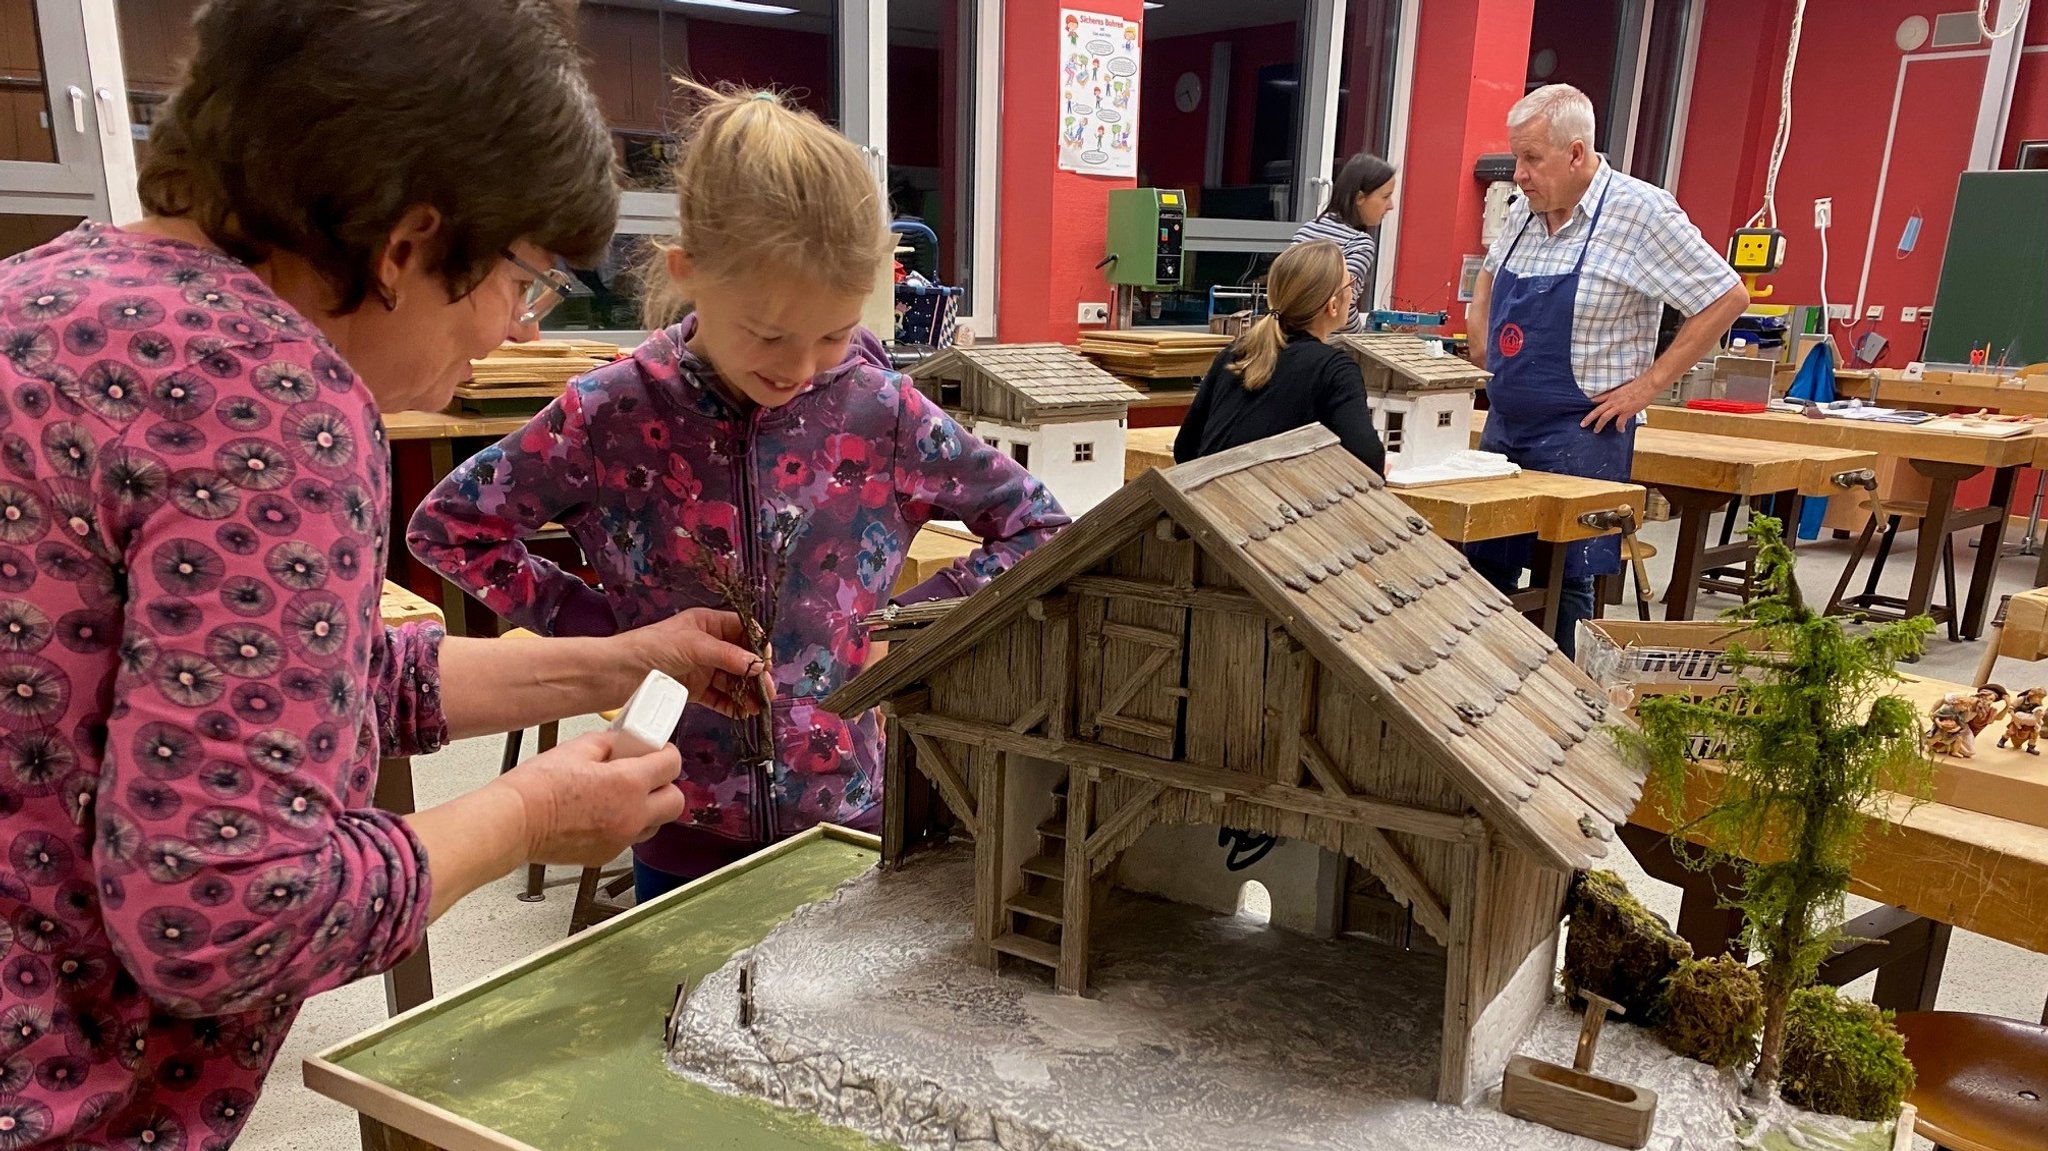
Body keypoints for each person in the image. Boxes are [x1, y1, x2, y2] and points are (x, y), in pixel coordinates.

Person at [0, 2, 779, 1146]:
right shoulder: (269, 395)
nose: (518, 330)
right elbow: (225, 913)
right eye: (523, 277)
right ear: (406, 246)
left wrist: (622, 660)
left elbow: (310, 685)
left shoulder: (49, 299)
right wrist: (524, 813)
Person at [408, 85, 1069, 904]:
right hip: (677, 810)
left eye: (831, 335)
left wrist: (913, 629)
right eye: (767, 333)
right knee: (678, 1015)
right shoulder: (609, 413)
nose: (798, 367)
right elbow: (449, 528)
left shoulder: (882, 409)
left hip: (851, 817)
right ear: (689, 272)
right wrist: (608, 637)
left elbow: (1040, 526)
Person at [1466, 84, 1748, 657]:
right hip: (1506, 427)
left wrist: (1647, 387)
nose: (1517, 174)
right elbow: (1490, 272)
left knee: (1566, 581)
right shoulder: (1528, 209)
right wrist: (1479, 330)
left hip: (1584, 433)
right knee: (1483, 566)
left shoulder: (1642, 213)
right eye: (1517, 157)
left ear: (1575, 154)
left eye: (1531, 159)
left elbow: (1726, 297)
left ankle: (1568, 701)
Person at [1173, 240, 1386, 474]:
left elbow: (1185, 449)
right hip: (1271, 507)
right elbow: (1367, 460)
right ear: (1333, 305)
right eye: (1351, 285)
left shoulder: (1235, 353)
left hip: (1207, 503)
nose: (1355, 292)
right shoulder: (1334, 369)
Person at [1290, 152, 1398, 333]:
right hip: (1324, 343)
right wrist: (1361, 341)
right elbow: (1342, 308)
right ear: (1360, 198)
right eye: (1385, 197)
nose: (1391, 205)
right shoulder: (1359, 243)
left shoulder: (1307, 229)